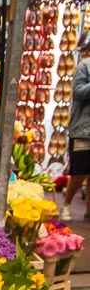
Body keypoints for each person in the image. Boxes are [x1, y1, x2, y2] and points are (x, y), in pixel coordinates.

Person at [61, 36, 90, 221]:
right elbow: (77, 92)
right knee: (79, 171)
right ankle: (66, 204)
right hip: (83, 129)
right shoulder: (85, 66)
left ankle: (89, 212)